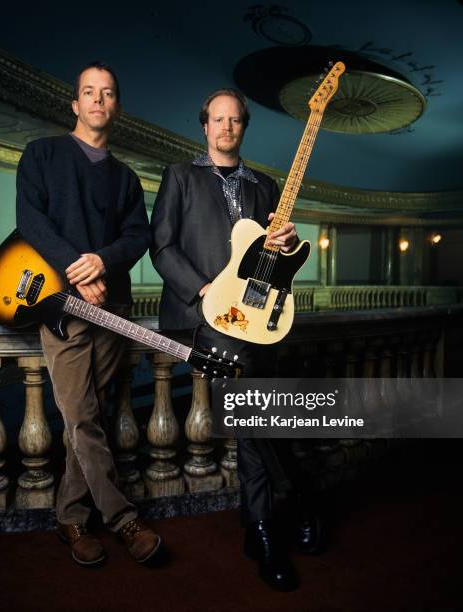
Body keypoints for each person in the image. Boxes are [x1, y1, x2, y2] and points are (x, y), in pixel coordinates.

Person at [150, 88, 322, 591]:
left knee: (251, 413)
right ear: (204, 125)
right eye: (217, 120)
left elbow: (274, 256)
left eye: (235, 121)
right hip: (200, 315)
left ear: (244, 126)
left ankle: (258, 524)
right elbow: (160, 246)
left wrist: (287, 244)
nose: (226, 128)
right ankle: (290, 508)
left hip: (253, 318)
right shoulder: (180, 176)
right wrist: (202, 290)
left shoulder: (266, 186)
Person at [16, 61, 161, 567]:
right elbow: (31, 222)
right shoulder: (41, 155)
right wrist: (79, 269)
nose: (98, 100)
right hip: (62, 307)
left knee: (88, 416)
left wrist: (104, 260)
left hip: (114, 307)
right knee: (81, 414)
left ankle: (70, 516)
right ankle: (123, 519)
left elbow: (138, 237)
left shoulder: (126, 179)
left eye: (108, 93)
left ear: (115, 106)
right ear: (75, 104)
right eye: (88, 92)